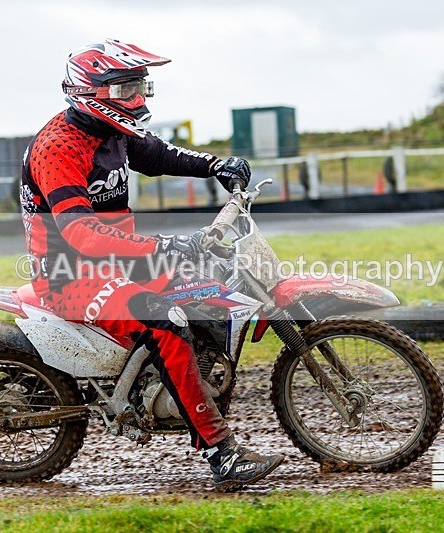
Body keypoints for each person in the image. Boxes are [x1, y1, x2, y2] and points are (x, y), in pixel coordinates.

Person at [19, 39, 284, 491]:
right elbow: (81, 233)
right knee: (165, 321)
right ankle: (220, 453)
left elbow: (160, 156)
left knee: (211, 291)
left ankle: (187, 392)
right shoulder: (57, 149)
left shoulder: (112, 132)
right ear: (91, 91)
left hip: (119, 259)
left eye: (140, 86)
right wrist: (162, 246)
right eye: (125, 89)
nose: (137, 99)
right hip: (69, 274)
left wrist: (215, 165)